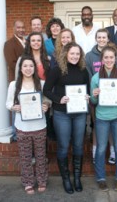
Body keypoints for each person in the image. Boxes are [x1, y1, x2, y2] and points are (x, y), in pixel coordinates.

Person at [43, 42, 90, 194]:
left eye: (77, 54)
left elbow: (87, 89)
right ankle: (66, 179)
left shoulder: (83, 70)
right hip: (61, 113)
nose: (75, 56)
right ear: (65, 54)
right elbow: (47, 90)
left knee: (78, 145)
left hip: (79, 114)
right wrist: (58, 99)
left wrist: (87, 96)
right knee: (63, 146)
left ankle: (77, 178)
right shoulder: (57, 70)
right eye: (72, 53)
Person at [6, 55, 50, 194]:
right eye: (25, 66)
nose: (28, 68)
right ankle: (28, 182)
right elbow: (7, 103)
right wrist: (14, 107)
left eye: (31, 66)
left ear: (34, 68)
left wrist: (46, 106)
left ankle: (42, 180)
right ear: (20, 68)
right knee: (25, 157)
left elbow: (48, 100)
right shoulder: (14, 85)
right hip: (22, 127)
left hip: (39, 126)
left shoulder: (41, 84)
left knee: (41, 156)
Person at [90, 45, 117, 192]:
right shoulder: (96, 78)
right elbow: (93, 102)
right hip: (102, 117)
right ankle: (100, 178)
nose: (108, 60)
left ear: (115, 59)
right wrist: (94, 95)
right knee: (101, 148)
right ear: (102, 59)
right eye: (105, 57)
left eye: (111, 57)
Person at [85, 29, 117, 164]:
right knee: (97, 125)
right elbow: (88, 75)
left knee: (112, 124)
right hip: (96, 96)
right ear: (96, 39)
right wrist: (93, 92)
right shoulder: (89, 56)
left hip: (113, 97)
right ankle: (96, 153)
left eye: (104, 37)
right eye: (99, 37)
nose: (101, 39)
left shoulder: (115, 54)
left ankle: (112, 152)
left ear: (108, 39)